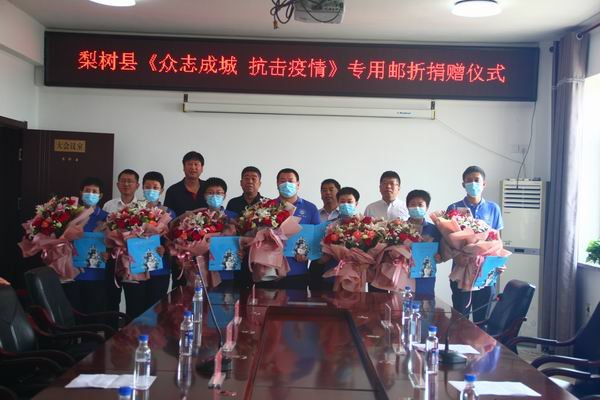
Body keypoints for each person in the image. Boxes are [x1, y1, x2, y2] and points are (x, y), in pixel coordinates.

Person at [447, 165, 504, 323]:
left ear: (484, 184)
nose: (473, 184)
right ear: (463, 184)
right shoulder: (454, 208)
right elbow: (447, 241)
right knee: (460, 319)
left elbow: (497, 241)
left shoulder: (493, 208)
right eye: (469, 180)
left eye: (476, 180)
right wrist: (456, 256)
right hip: (461, 269)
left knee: (482, 319)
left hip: (485, 272)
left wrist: (499, 263)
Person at [122, 171, 175, 319]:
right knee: (134, 310)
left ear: (161, 190)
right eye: (148, 187)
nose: (151, 190)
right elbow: (123, 236)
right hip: (136, 267)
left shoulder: (169, 213)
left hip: (160, 269)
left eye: (155, 187)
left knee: (156, 312)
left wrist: (166, 248)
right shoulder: (132, 211)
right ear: (142, 188)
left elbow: (175, 240)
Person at [268, 168, 320, 290]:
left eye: (290, 181)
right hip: (270, 272)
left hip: (298, 271)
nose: (287, 184)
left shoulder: (310, 208)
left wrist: (308, 254)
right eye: (282, 181)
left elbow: (317, 239)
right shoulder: (267, 207)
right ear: (277, 184)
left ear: (298, 184)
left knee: (297, 302)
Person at [63, 177, 108, 314]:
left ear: (100, 195)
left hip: (96, 274)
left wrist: (109, 253)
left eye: (94, 191)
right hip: (72, 273)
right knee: (73, 313)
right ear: (81, 193)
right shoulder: (69, 215)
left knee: (94, 313)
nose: (90, 194)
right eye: (87, 191)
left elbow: (114, 244)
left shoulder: (107, 217)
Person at [103, 169, 140, 317]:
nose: (126, 184)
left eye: (130, 181)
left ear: (137, 185)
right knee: (111, 300)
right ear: (117, 185)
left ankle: (131, 331)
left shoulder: (143, 207)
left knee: (134, 301)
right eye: (123, 181)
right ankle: (110, 330)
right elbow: (103, 232)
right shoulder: (109, 206)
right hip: (113, 257)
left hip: (133, 260)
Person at [405, 189, 442, 296]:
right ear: (407, 206)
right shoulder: (399, 228)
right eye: (412, 204)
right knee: (401, 303)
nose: (416, 207)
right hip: (403, 275)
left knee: (425, 302)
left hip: (426, 276)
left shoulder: (434, 229)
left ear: (427, 207)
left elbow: (441, 252)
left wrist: (439, 257)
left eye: (420, 205)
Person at [203, 177, 239, 285]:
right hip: (204, 271)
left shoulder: (233, 217)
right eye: (210, 193)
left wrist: (241, 251)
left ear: (225, 196)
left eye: (218, 193)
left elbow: (240, 242)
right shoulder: (198, 217)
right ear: (204, 195)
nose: (214, 196)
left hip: (227, 271)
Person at [164, 151, 208, 217]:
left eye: (196, 164)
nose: (193, 168)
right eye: (189, 164)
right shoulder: (172, 191)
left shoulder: (208, 188)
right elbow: (167, 217)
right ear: (184, 167)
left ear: (202, 168)